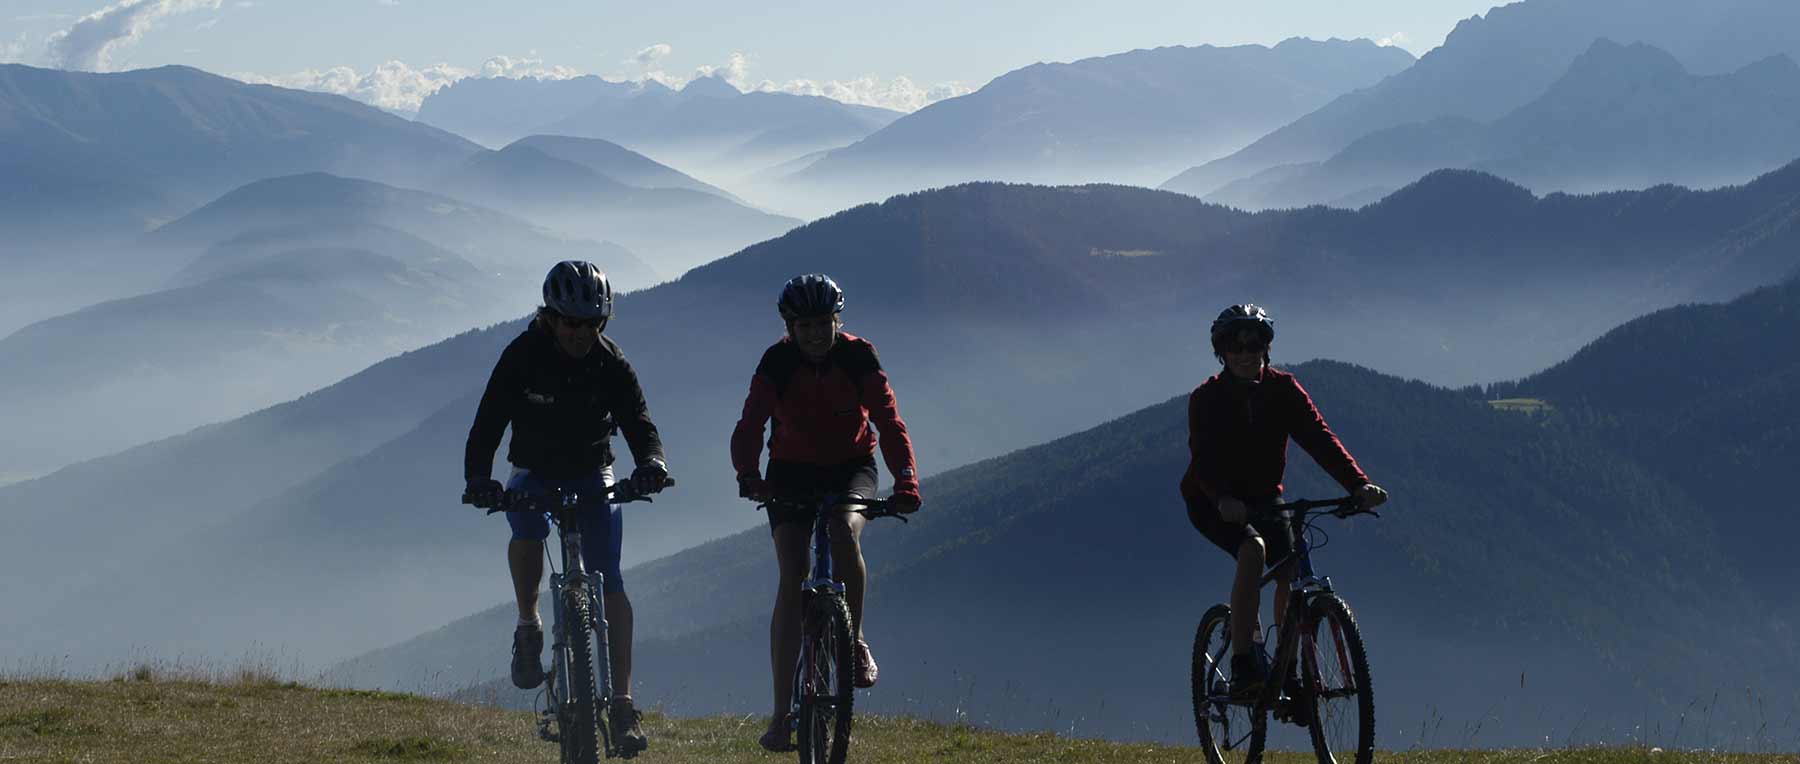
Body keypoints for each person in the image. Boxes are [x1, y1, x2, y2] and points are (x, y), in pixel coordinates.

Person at [464, 260, 669, 755]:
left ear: (602, 322)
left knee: (611, 579)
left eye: (590, 323)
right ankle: (529, 624)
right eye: (570, 322)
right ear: (551, 317)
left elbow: (638, 421)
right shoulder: (522, 355)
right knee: (526, 530)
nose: (579, 333)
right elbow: (487, 422)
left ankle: (621, 703)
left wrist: (652, 464)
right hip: (532, 470)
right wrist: (479, 479)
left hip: (592, 470)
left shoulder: (610, 362)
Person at [730, 273, 922, 752]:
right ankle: (780, 717)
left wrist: (906, 481)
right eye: (805, 325)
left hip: (852, 468)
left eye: (823, 323)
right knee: (792, 574)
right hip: (790, 472)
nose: (816, 333)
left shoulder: (859, 356)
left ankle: (852, 639)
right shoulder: (777, 362)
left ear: (838, 320)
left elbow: (888, 421)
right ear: (790, 327)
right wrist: (748, 476)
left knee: (842, 531)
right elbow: (751, 424)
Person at [1180, 303, 1389, 697]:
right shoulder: (1206, 399)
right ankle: (1243, 663)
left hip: (1265, 498)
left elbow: (1320, 439)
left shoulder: (1283, 390)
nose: (1245, 353)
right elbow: (1203, 460)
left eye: (1254, 344)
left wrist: (1358, 485)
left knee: (1290, 570)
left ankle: (1286, 668)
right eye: (1235, 346)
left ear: (1266, 347)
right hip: (1210, 499)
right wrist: (1223, 498)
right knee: (1254, 549)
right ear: (1221, 351)